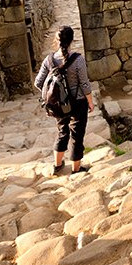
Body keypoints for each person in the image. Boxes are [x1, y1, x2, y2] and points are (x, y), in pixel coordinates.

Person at [34, 26, 95, 175]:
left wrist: (51, 95)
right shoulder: (78, 59)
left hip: (58, 105)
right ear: (72, 40)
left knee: (62, 131)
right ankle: (76, 168)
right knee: (77, 135)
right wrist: (90, 102)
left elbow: (38, 82)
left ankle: (57, 165)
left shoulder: (49, 60)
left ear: (57, 40)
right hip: (78, 102)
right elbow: (84, 83)